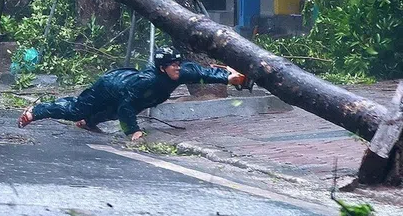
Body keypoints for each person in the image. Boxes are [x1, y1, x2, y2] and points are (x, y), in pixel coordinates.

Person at [18, 46, 253, 141]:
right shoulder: (147, 81)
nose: (178, 69)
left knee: (109, 114)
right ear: (163, 68)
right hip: (110, 85)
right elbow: (126, 109)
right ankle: (36, 111)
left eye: (179, 65)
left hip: (125, 92)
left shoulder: (179, 73)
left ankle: (87, 122)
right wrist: (134, 132)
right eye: (174, 65)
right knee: (76, 109)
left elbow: (201, 72)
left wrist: (230, 78)